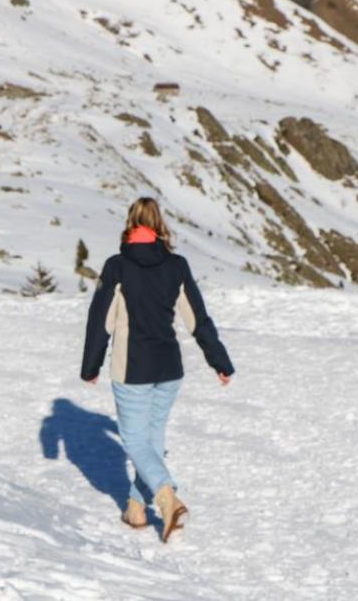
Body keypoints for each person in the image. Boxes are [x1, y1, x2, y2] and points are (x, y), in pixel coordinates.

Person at [80, 197, 234, 543]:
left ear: (130, 223)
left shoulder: (117, 267)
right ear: (158, 224)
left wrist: (91, 366)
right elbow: (198, 319)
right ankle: (136, 510)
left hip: (132, 369)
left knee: (136, 440)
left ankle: (167, 500)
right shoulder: (176, 266)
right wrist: (219, 361)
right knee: (151, 440)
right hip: (168, 368)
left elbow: (99, 321)